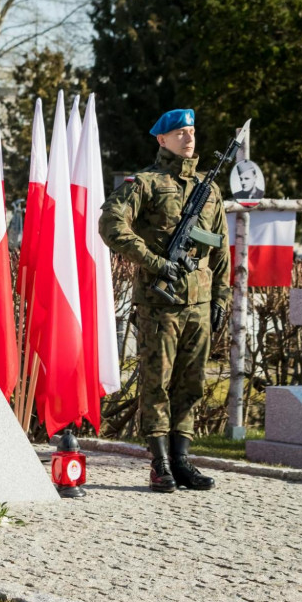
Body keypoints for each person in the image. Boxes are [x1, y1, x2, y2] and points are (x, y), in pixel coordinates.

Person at [99, 108, 230, 493]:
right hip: (160, 304)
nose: (189, 138)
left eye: (191, 131)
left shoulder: (210, 189)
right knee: (157, 384)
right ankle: (160, 464)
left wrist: (221, 297)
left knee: (191, 385)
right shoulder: (146, 183)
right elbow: (110, 223)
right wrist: (155, 262)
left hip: (200, 305)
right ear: (161, 140)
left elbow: (220, 250)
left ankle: (183, 460)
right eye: (180, 133)